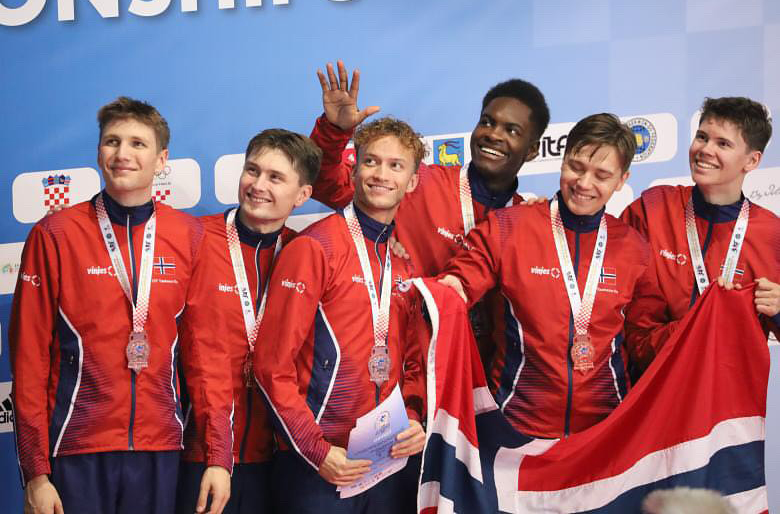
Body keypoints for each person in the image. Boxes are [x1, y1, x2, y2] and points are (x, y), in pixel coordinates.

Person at [10, 97, 232, 514]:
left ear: (161, 159)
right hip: (76, 446)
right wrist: (36, 473)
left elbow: (208, 356)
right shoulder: (55, 234)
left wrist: (219, 457)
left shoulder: (189, 236)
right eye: (112, 141)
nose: (123, 153)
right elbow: (29, 360)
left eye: (138, 143)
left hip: (159, 447)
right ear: (99, 152)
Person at [439, 113, 669, 438]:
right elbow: (463, 278)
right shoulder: (509, 227)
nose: (584, 183)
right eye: (576, 167)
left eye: (602, 175)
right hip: (516, 431)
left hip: (604, 435)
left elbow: (645, 341)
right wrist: (448, 289)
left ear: (621, 180)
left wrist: (708, 320)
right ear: (562, 160)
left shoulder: (634, 248)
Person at [310, 60, 550, 366]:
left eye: (511, 130)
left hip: (481, 374)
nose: (493, 134)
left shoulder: (525, 219)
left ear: (532, 150)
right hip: (408, 364)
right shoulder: (419, 183)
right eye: (487, 122)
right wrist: (333, 132)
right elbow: (326, 184)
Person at [255, 117, 427, 513]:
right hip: (319, 464)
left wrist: (414, 416)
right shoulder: (315, 248)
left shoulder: (403, 261)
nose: (381, 174)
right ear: (353, 170)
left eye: (396, 165)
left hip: (387, 460)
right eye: (371, 162)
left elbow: (413, 359)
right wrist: (316, 450)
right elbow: (270, 366)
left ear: (412, 181)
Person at [176, 129, 321, 514]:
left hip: (276, 457)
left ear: (302, 195)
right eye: (252, 170)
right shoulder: (193, 238)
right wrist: (215, 455)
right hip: (200, 453)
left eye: (275, 177)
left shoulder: (305, 253)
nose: (258, 185)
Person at [621, 96, 779, 339]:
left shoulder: (771, 234)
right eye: (702, 137)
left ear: (752, 160)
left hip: (730, 365)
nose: (705, 150)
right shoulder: (651, 210)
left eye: (723, 144)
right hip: (657, 362)